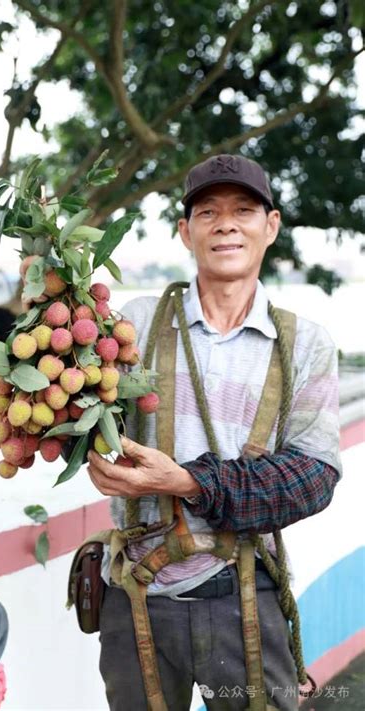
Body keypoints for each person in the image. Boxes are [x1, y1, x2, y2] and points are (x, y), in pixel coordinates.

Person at [86, 154, 341, 711]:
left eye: (243, 210)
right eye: (208, 212)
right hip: (135, 598)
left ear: (270, 227)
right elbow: (88, 414)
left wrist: (188, 482)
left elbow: (314, 477)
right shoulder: (134, 322)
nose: (226, 223)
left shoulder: (305, 343)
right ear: (186, 232)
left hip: (245, 594)